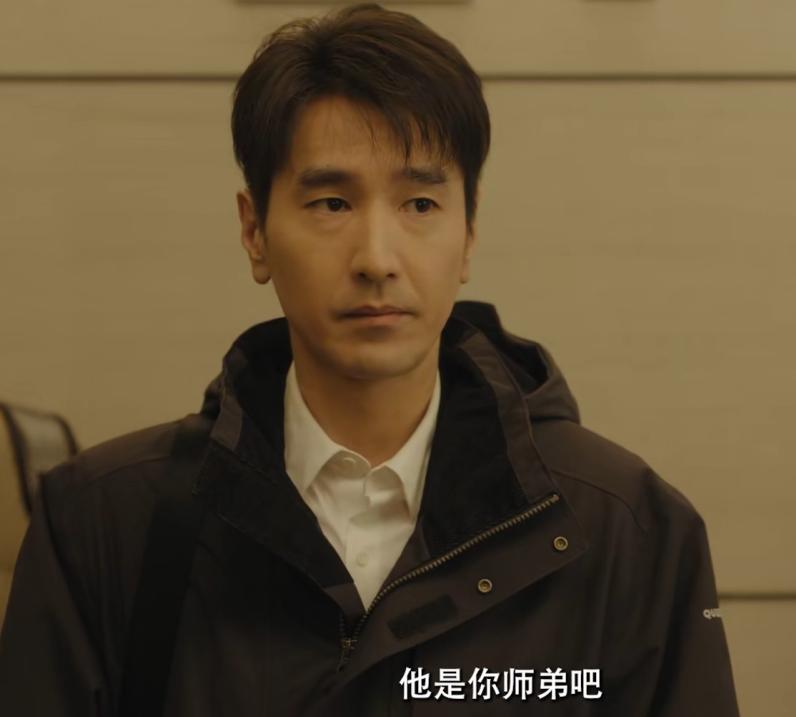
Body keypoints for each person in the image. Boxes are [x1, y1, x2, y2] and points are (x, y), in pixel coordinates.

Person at [0, 3, 740, 715]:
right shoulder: (102, 526)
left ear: (469, 232)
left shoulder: (629, 530)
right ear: (255, 231)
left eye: (420, 205)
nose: (377, 258)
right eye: (332, 204)